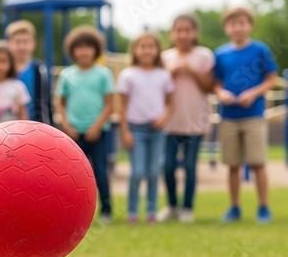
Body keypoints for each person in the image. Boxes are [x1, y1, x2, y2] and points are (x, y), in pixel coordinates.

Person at [214, 7, 278, 223]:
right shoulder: (221, 53)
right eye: (233, 24)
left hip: (254, 115)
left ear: (250, 25)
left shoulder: (260, 50)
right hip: (228, 116)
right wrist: (221, 93)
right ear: (226, 28)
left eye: (241, 23)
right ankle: (234, 208)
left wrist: (252, 93)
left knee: (258, 162)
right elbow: (216, 83)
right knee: (232, 164)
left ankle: (263, 207)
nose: (237, 28)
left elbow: (271, 79)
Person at [157, 14, 215, 223]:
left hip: (195, 122)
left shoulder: (204, 56)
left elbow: (208, 87)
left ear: (195, 33)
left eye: (187, 30)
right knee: (168, 166)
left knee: (190, 166)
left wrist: (192, 70)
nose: (183, 34)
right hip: (170, 123)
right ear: (172, 34)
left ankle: (187, 208)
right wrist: (170, 74)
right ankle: (172, 205)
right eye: (178, 30)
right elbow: (158, 90)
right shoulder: (164, 58)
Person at [56, 26, 114, 223]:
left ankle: (106, 210)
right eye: (79, 47)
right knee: (72, 176)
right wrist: (67, 126)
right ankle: (72, 213)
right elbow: (60, 104)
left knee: (99, 171)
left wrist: (97, 126)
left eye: (88, 47)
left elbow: (109, 104)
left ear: (95, 50)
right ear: (72, 50)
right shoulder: (67, 75)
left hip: (97, 132)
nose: (84, 51)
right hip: (73, 134)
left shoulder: (103, 74)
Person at [118, 32, 174, 224]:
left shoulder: (163, 75)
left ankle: (151, 211)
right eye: (142, 46)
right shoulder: (128, 75)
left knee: (153, 173)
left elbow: (170, 103)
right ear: (135, 50)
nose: (147, 50)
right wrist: (125, 131)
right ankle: (132, 212)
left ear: (158, 50)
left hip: (157, 131)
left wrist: (164, 117)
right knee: (137, 172)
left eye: (151, 46)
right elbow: (122, 107)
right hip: (135, 129)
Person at [5, 20, 53, 125]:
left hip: (35, 126)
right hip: (6, 127)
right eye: (17, 42)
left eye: (26, 42)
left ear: (33, 44)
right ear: (8, 43)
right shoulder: (2, 70)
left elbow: (46, 103)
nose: (22, 47)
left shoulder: (41, 70)